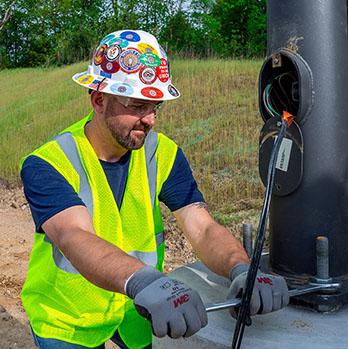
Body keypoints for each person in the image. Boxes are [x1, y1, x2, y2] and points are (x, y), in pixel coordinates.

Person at [20, 30, 289, 349]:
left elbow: (201, 228)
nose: (149, 120)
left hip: (138, 311)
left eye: (155, 107)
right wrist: (145, 280)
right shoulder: (48, 162)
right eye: (137, 106)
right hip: (69, 319)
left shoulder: (162, 153)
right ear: (98, 99)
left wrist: (241, 267)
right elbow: (74, 236)